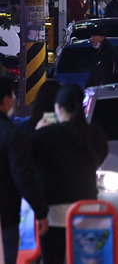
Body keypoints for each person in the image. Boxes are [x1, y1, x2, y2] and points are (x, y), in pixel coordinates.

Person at [31, 84, 108, 264]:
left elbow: (30, 159)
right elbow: (100, 157)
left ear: (58, 107)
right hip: (87, 210)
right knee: (85, 259)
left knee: (53, 259)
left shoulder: (44, 135)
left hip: (54, 212)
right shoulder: (93, 133)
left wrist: (38, 131)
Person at [0, 76, 49, 264]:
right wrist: (41, 210)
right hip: (5, 217)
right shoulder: (11, 133)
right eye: (13, 95)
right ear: (6, 101)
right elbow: (24, 177)